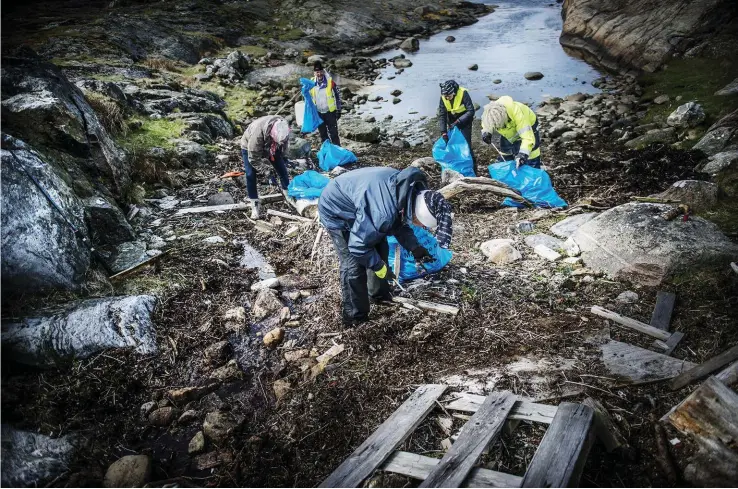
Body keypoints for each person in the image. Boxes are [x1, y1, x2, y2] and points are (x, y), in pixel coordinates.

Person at [319, 167, 453, 326]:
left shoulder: (409, 192)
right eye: (421, 223)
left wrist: (415, 248)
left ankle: (379, 294)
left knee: (381, 248)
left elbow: (398, 224)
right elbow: (358, 247)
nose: (421, 227)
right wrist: (379, 267)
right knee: (354, 265)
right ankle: (355, 317)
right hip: (337, 209)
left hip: (365, 205)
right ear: (417, 214)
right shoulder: (383, 213)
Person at [240, 115, 292, 219]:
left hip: (273, 145)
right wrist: (267, 172)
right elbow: (254, 159)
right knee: (250, 174)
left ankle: (288, 196)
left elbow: (284, 145)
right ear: (272, 135)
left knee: (282, 170)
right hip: (249, 147)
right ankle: (254, 204)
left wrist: (284, 157)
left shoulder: (283, 128)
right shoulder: (257, 135)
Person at [481, 96, 542, 168]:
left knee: (532, 153)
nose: (498, 128)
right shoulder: (490, 112)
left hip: (529, 126)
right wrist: (486, 131)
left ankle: (533, 168)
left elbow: (527, 138)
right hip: (508, 132)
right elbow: (486, 122)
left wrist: (523, 154)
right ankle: (507, 168)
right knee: (506, 152)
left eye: (500, 126)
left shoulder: (518, 114)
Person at [438, 79, 477, 173]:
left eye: (449, 96)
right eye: (445, 97)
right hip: (451, 121)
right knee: (452, 144)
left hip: (464, 121)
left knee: (466, 145)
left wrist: (459, 121)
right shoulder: (443, 97)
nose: (447, 98)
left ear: (454, 92)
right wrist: (443, 132)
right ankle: (458, 168)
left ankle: (473, 169)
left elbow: (471, 111)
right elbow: (442, 115)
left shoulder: (463, 93)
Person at [310, 60, 342, 146]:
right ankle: (327, 153)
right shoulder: (311, 83)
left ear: (323, 71)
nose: (319, 74)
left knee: (334, 134)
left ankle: (338, 153)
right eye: (317, 72)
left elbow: (337, 96)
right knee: (323, 135)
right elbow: (307, 98)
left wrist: (338, 110)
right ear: (314, 73)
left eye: (320, 71)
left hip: (330, 113)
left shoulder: (330, 82)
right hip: (319, 114)